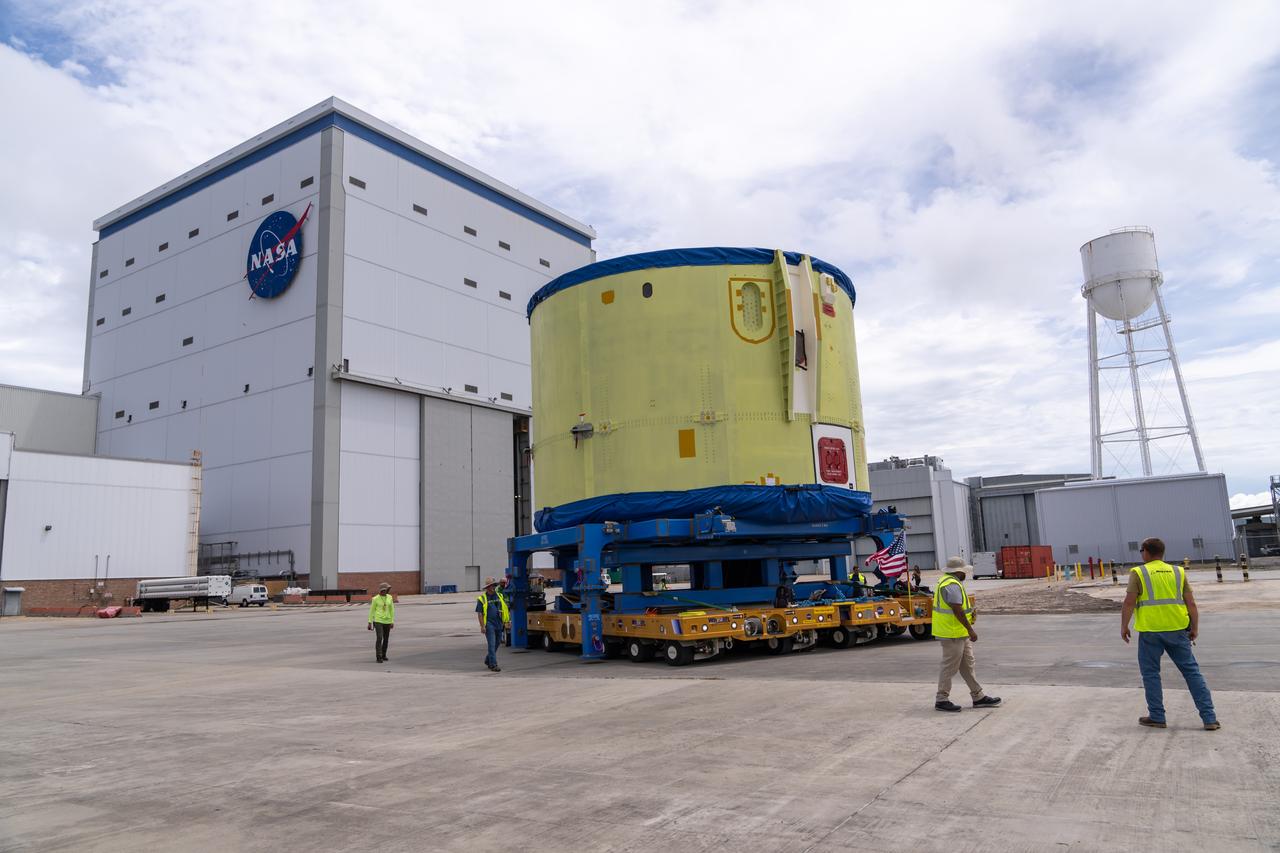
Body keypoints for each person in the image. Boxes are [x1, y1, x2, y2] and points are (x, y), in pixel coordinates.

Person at [1121, 537, 1219, 730]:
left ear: (1146, 551)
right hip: (1177, 630)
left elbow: (1129, 602)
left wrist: (1124, 626)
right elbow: (1191, 603)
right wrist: (1195, 628)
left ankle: (1157, 716)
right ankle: (1209, 718)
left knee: (1151, 674)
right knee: (1192, 672)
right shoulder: (1178, 572)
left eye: (1141, 551)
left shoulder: (1139, 572)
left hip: (1150, 632)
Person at [933, 557, 1002, 712]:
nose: (966, 573)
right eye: (964, 571)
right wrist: (970, 629)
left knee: (967, 665)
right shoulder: (951, 585)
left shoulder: (948, 581)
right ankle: (941, 699)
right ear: (958, 571)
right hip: (952, 633)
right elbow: (957, 610)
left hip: (959, 632)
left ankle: (978, 696)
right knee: (949, 667)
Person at [476, 577, 510, 672]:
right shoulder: (482, 599)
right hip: (489, 624)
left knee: (497, 643)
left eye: (494, 585)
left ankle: (488, 660)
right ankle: (493, 665)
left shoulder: (499, 596)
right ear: (487, 587)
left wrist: (507, 621)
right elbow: (480, 614)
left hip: (499, 623)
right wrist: (482, 626)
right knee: (491, 644)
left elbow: (505, 609)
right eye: (492, 586)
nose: (494, 587)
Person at [367, 583, 395, 663]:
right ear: (381, 590)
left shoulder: (390, 597)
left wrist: (392, 621)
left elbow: (392, 610)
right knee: (379, 637)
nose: (384, 591)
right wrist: (369, 622)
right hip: (378, 620)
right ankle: (378, 656)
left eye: (386, 590)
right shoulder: (375, 599)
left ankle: (383, 654)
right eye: (383, 590)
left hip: (387, 620)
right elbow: (372, 611)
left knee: (386, 639)